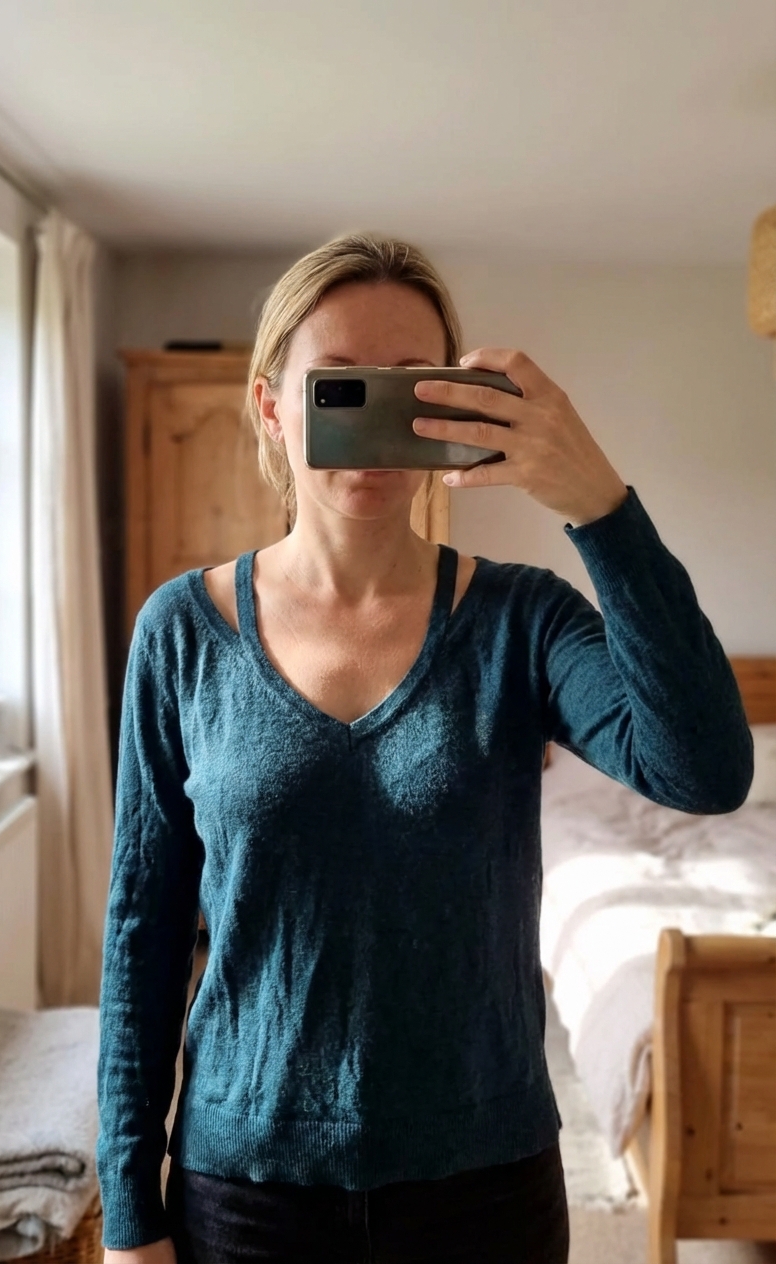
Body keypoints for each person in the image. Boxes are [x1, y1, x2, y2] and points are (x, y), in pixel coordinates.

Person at [96, 234, 752, 1264]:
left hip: (483, 1190)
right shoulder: (181, 632)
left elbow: (703, 769)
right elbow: (143, 926)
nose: (377, 419)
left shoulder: (522, 621)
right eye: (340, 384)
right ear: (271, 406)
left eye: (411, 386)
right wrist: (129, 1212)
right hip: (246, 1189)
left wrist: (597, 502)